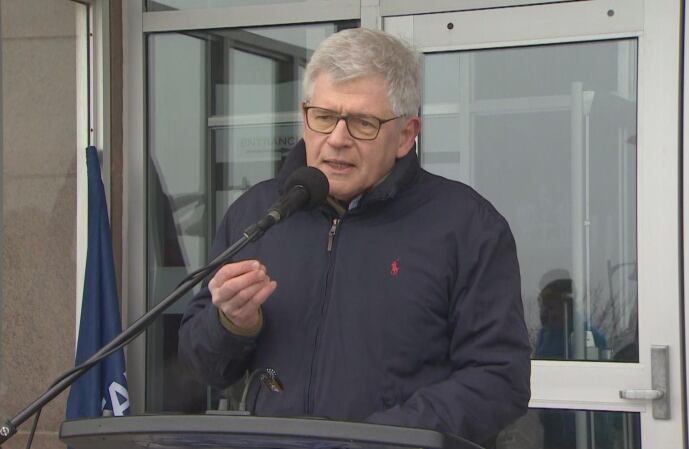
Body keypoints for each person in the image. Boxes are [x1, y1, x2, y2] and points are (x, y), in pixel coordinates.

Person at [178, 27, 531, 446]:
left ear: (405, 135)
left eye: (363, 123)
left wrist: (378, 440)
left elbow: (497, 379)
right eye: (324, 117)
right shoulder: (258, 215)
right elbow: (202, 366)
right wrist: (232, 325)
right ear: (306, 116)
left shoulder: (467, 226)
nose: (338, 139)